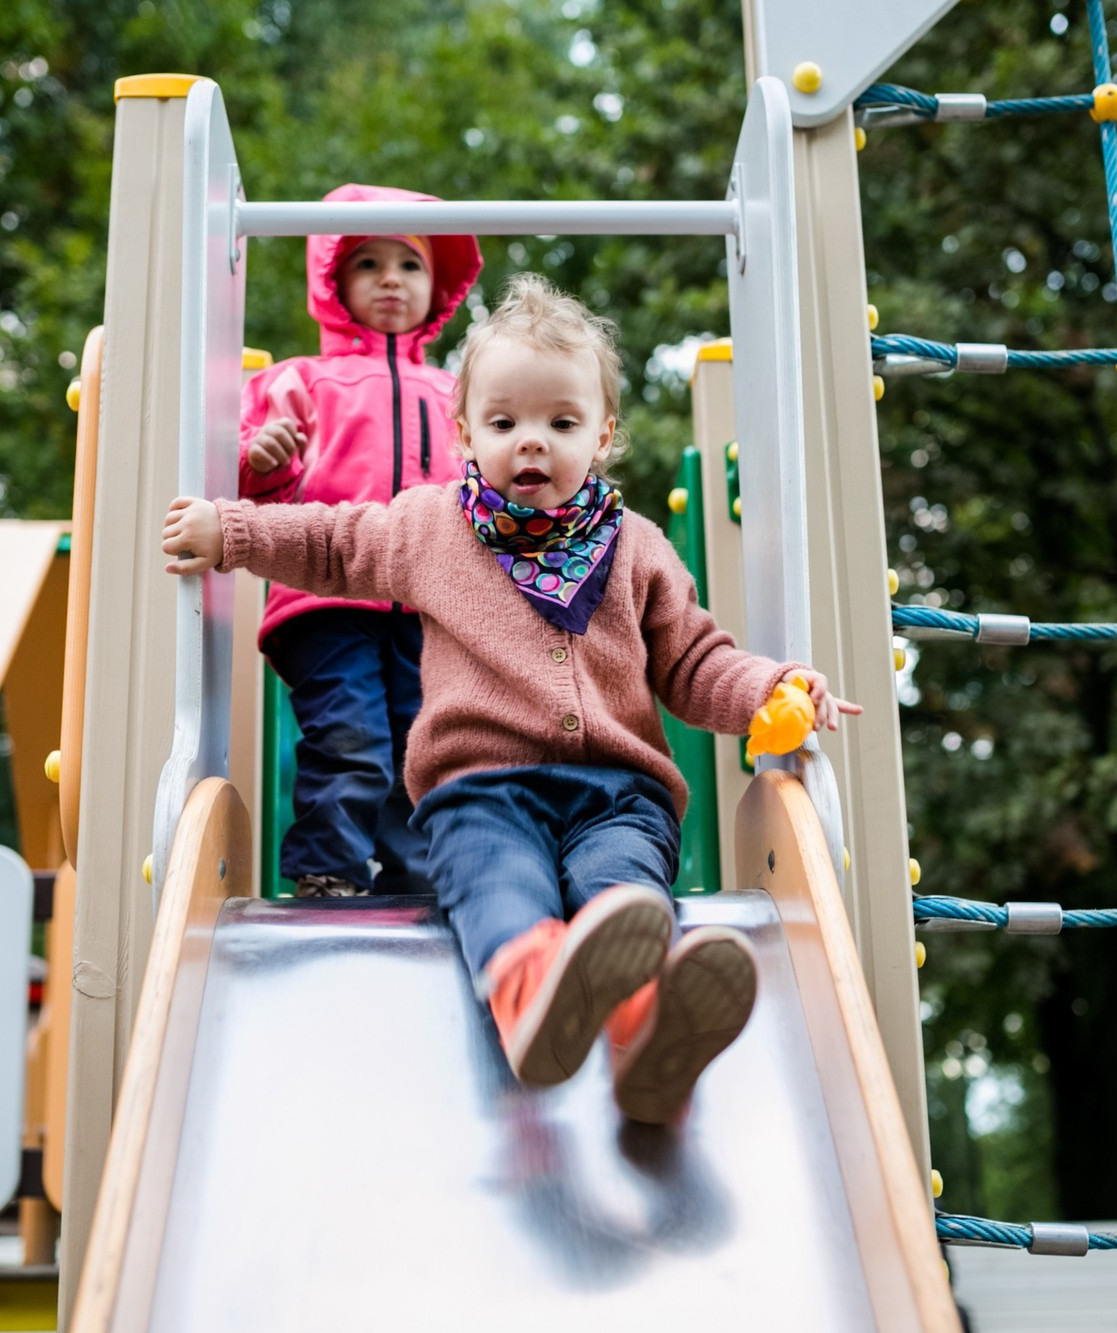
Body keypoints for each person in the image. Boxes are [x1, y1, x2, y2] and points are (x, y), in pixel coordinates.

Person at [165, 273, 858, 1123]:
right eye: (504, 423)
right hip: (481, 791)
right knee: (498, 878)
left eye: (560, 423)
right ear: (464, 433)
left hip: (620, 796)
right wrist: (228, 531)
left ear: (601, 434)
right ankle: (532, 992)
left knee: (625, 892)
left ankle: (647, 1028)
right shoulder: (430, 527)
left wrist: (767, 688)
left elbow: (693, 662)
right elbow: (331, 542)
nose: (532, 442)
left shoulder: (635, 548)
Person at [240, 183, 483, 900]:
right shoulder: (303, 382)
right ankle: (328, 872)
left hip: (425, 601)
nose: (389, 280)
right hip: (326, 596)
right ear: (334, 281)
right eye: (368, 263)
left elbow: (485, 490)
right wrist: (265, 457)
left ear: (437, 287)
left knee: (422, 744)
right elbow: (254, 491)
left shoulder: (458, 393)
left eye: (408, 266)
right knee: (351, 741)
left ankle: (412, 882)